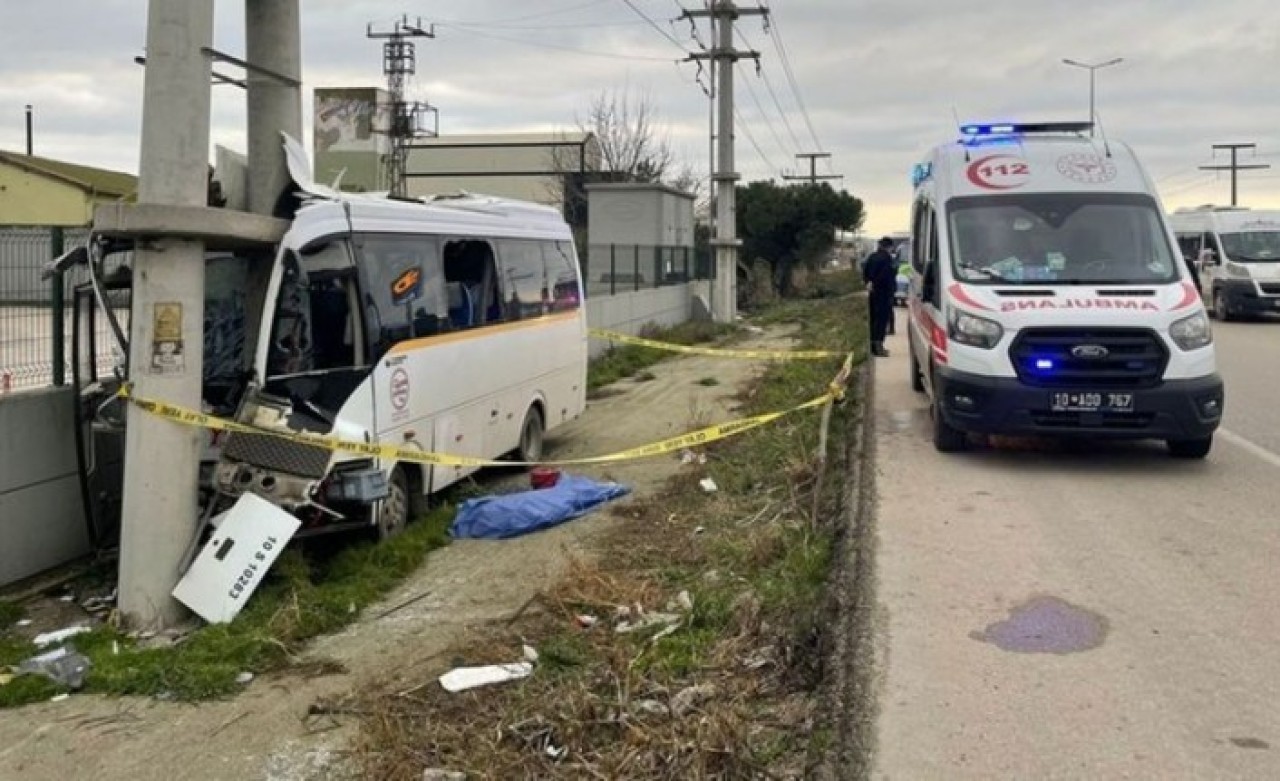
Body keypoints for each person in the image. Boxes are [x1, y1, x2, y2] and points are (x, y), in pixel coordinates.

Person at [862, 236, 897, 357]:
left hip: (873, 293)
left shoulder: (872, 257)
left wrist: (868, 283)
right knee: (882, 320)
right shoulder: (887, 259)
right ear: (889, 247)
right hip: (884, 293)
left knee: (873, 319)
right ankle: (878, 347)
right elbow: (887, 277)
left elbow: (865, 272)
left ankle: (872, 346)